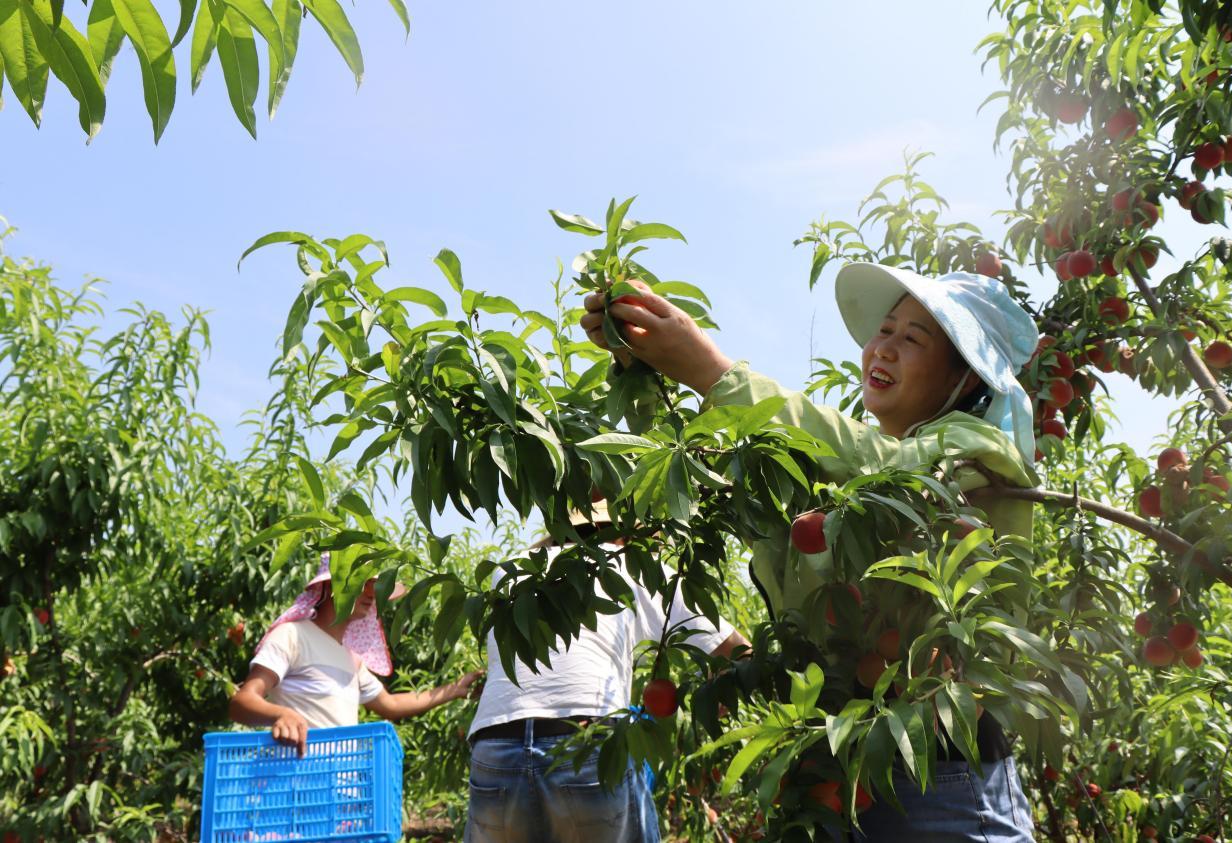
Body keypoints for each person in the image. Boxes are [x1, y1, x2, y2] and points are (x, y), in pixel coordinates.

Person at [580, 263, 1040, 841]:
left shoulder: (978, 453)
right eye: (886, 329)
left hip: (943, 780)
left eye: (914, 338)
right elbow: (793, 513)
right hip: (850, 775)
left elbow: (886, 465)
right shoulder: (857, 489)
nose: (884, 348)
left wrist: (713, 372)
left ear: (967, 380)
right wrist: (654, 371)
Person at [464, 503, 750, 843]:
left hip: (496, 745)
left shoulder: (509, 572)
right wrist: (716, 691)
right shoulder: (629, 565)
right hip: (585, 741)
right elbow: (739, 651)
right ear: (623, 534)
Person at [229, 553, 483, 756]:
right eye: (364, 585)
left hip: (341, 791)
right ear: (333, 586)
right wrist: (281, 715)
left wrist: (456, 689)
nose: (373, 595)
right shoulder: (293, 636)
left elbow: (391, 705)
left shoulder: (352, 659)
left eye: (375, 586)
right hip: (298, 786)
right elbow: (242, 703)